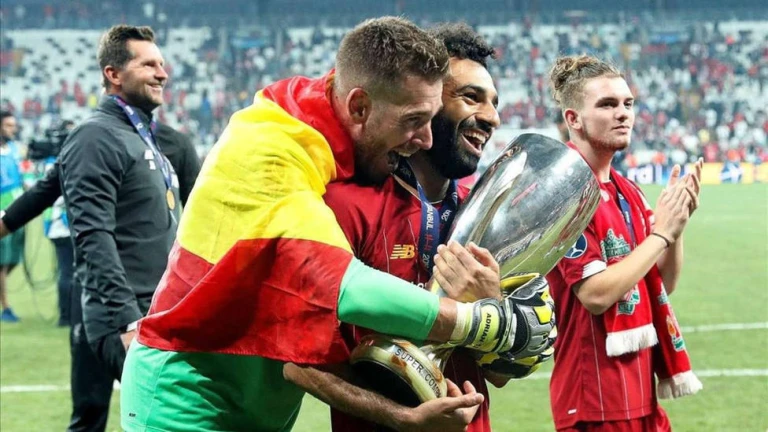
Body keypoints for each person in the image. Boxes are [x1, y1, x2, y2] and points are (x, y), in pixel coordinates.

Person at [122, 17, 553, 432]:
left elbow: (506, 367)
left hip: (253, 405)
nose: (424, 137)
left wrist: (505, 326)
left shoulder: (330, 143)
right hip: (185, 397)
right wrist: (486, 322)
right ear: (359, 106)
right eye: (414, 119)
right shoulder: (274, 152)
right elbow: (340, 285)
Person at [284, 23, 555, 432]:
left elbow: (501, 373)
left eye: (494, 103)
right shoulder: (348, 206)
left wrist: (493, 310)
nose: (492, 118)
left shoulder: (489, 214)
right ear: (426, 101)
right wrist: (404, 418)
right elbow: (297, 361)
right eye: (471, 97)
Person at [0, 119, 198, 432]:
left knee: (166, 414)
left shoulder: (175, 144)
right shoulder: (93, 137)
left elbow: (200, 213)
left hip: (154, 298)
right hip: (95, 294)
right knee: (89, 410)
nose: (158, 83)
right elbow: (44, 191)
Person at [545, 54, 703, 432]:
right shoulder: (564, 192)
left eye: (628, 104)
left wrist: (675, 228)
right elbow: (595, 294)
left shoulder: (627, 191)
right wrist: (660, 235)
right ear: (573, 119)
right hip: (595, 399)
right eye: (607, 104)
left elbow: (661, 284)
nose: (623, 114)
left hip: (640, 391)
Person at [53, 24, 180, 432]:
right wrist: (127, 321)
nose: (162, 73)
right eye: (149, 65)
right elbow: (93, 236)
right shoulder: (95, 136)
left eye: (161, 64)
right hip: (125, 316)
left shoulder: (140, 136)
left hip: (156, 309)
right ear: (113, 74)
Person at [0, 110, 23, 322]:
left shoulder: (14, 149)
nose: (12, 129)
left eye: (13, 125)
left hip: (18, 208)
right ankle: (6, 307)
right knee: (2, 261)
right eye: (8, 125)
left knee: (15, 258)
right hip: (1, 210)